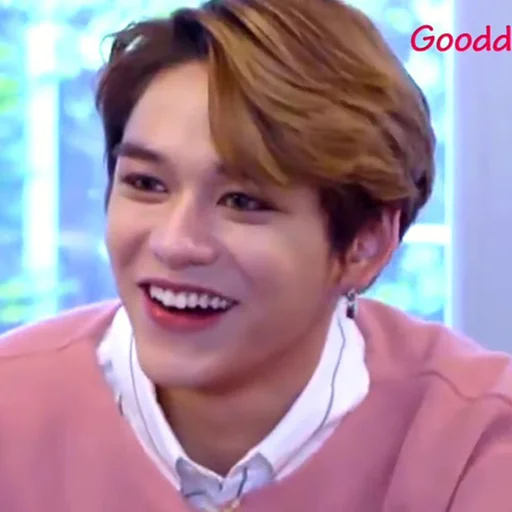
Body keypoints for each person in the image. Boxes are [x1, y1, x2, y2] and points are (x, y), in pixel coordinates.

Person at [1, 0, 512, 511]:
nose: (174, 243)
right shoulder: (13, 406)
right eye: (147, 183)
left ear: (365, 245)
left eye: (243, 202)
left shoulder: (476, 440)